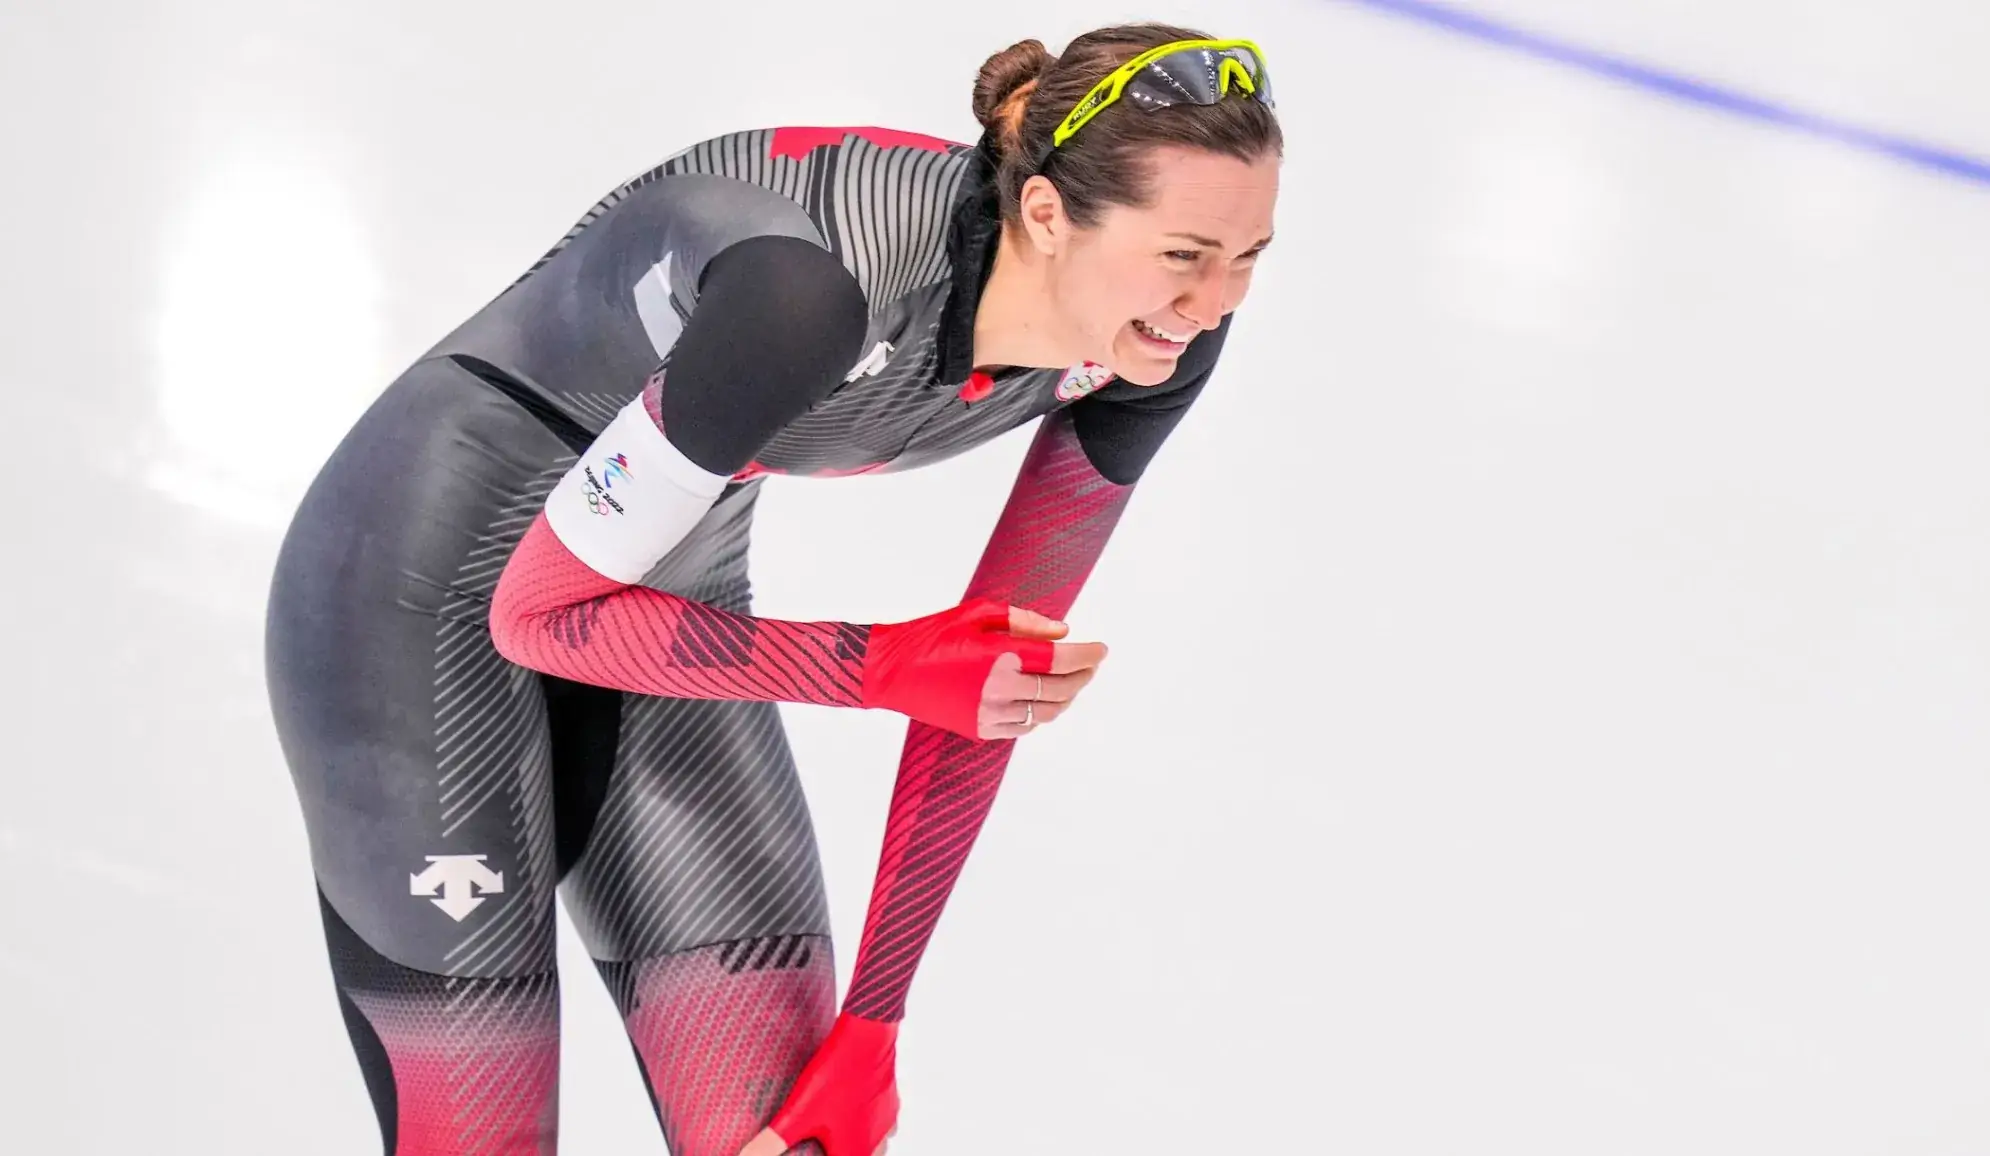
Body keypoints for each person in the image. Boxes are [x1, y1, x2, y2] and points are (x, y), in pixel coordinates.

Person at [264, 22, 1281, 1156]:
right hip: (422, 602)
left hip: (662, 617)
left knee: (789, 1137)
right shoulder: (810, 295)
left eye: (1249, 256)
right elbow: (535, 614)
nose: (1213, 301)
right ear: (1046, 214)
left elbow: (986, 683)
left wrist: (873, 1023)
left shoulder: (1151, 344)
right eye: (1184, 253)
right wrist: (884, 664)